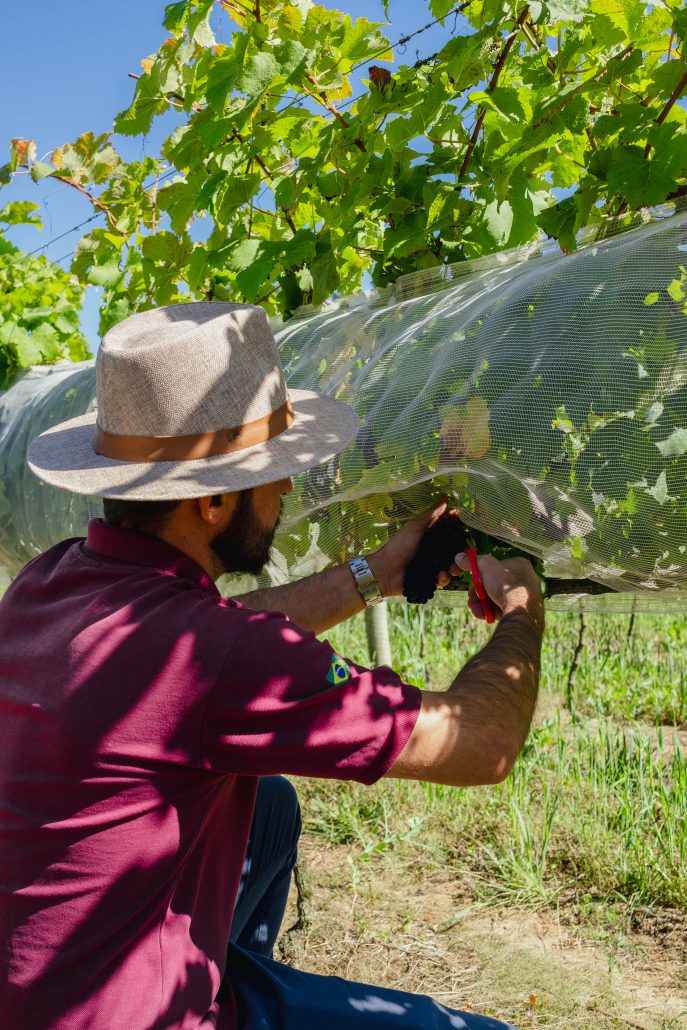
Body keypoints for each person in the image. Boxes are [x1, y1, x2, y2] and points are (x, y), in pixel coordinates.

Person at [0, 302, 544, 1029]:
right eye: (274, 472)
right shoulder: (214, 658)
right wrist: (521, 611)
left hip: (37, 989)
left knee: (269, 810)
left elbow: (211, 643)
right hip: (127, 1017)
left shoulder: (53, 579)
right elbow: (481, 742)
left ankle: (222, 976)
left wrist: (370, 574)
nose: (288, 489)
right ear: (216, 500)